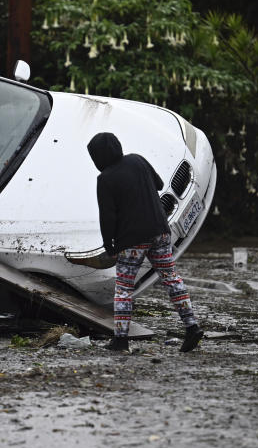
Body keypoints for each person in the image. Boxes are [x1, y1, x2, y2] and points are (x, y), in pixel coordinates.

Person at [86, 132, 204, 353]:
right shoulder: (137, 160)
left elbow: (107, 216)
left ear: (97, 157)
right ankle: (192, 327)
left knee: (123, 289)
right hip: (159, 231)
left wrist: (109, 246)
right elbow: (159, 184)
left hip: (131, 241)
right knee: (171, 279)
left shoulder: (105, 179)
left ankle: (120, 340)